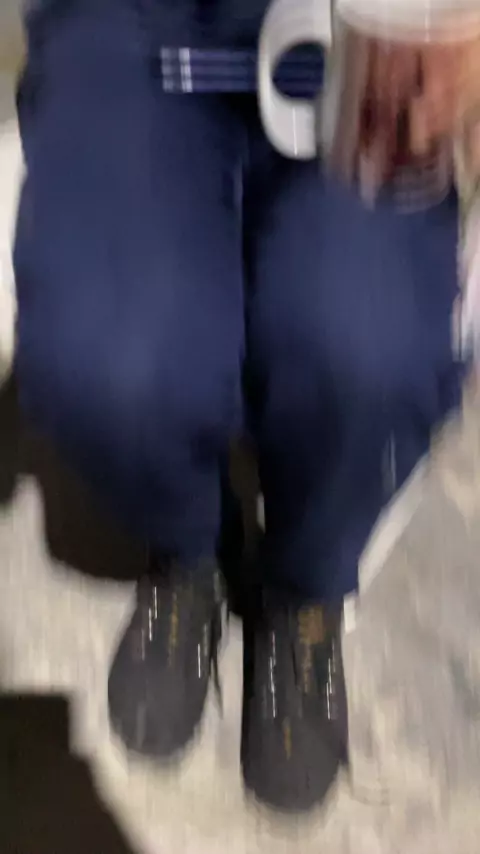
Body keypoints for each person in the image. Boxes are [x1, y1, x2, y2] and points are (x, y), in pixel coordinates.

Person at [14, 0, 462, 813]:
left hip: (379, 13)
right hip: (128, 19)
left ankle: (304, 588)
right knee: (106, 364)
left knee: (370, 350)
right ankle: (188, 551)